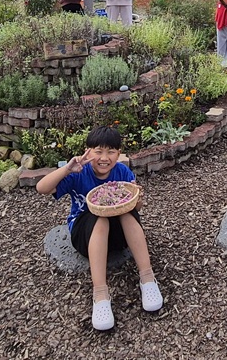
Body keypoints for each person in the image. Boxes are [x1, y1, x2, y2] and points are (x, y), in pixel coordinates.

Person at [36, 126, 163, 331]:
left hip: (118, 238)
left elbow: (136, 208)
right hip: (86, 237)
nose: (104, 158)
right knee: (100, 217)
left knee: (126, 212)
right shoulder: (79, 173)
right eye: (98, 151)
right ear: (88, 152)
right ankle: (100, 294)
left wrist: (138, 198)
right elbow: (41, 188)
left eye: (111, 151)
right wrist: (67, 169)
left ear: (118, 154)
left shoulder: (122, 172)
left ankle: (147, 278)